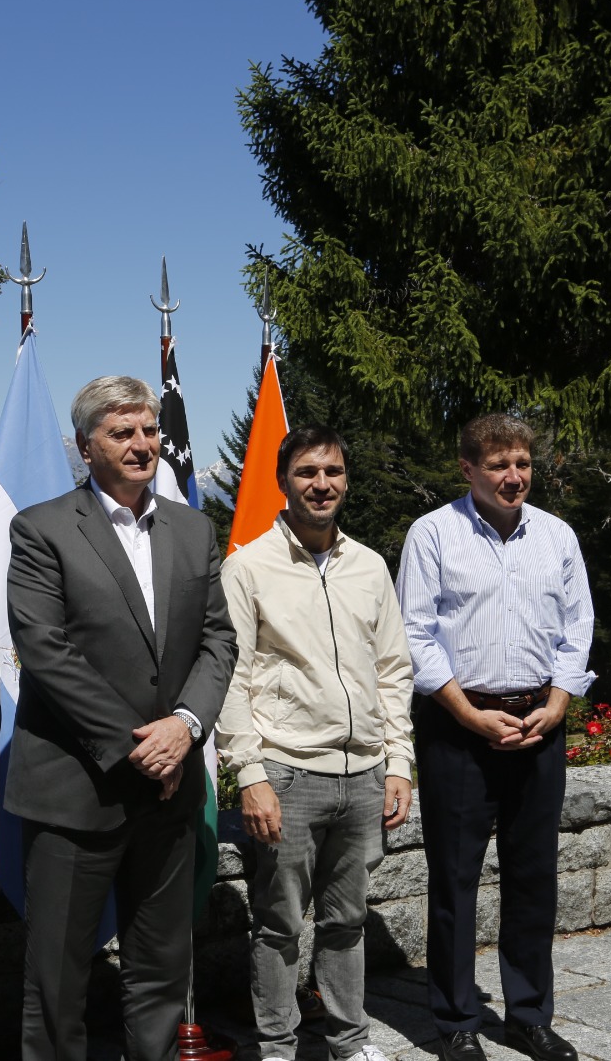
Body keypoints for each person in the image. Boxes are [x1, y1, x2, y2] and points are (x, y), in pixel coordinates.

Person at [4, 375, 237, 1061]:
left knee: (162, 971)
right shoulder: (42, 529)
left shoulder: (193, 529)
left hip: (171, 795)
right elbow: (46, 650)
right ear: (84, 447)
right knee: (58, 978)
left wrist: (186, 725)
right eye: (121, 432)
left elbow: (220, 640)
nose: (142, 446)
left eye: (148, 431)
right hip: (79, 790)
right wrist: (138, 745)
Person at [396, 414, 595, 1061]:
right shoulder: (434, 535)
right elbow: (415, 633)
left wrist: (559, 702)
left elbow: (578, 627)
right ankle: (455, 1019)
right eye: (500, 465)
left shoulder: (557, 537)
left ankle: (529, 1015)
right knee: (454, 878)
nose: (515, 477)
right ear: (468, 469)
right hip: (459, 729)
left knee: (534, 875)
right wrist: (466, 713)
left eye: (523, 465)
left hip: (539, 721)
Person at [216, 424, 413, 1061]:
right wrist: (250, 774)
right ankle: (278, 1048)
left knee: (347, 923)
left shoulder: (369, 566)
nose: (321, 484)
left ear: (345, 480)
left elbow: (392, 669)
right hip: (288, 774)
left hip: (362, 775)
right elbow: (231, 679)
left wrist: (399, 762)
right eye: (306, 472)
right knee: (277, 927)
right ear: (283, 482)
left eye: (332, 472)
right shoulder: (247, 567)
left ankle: (348, 1045)